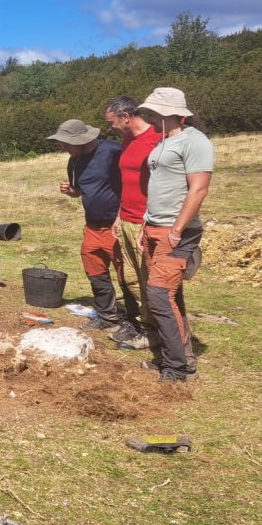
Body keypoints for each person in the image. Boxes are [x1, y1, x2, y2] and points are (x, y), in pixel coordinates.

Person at [137, 87, 213, 383]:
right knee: (168, 295)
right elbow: (159, 186)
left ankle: (177, 369)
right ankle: (181, 359)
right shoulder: (164, 141)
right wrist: (146, 225)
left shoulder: (195, 141)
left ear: (170, 113)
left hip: (177, 231)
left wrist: (177, 230)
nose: (149, 117)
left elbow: (199, 188)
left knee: (158, 295)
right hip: (154, 228)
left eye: (153, 112)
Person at [47, 119, 127, 330]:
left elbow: (135, 179)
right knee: (95, 272)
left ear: (82, 140)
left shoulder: (112, 151)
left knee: (126, 275)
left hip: (117, 225)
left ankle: (134, 320)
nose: (62, 147)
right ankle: (107, 316)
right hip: (92, 226)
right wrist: (69, 191)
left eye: (66, 143)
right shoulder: (74, 161)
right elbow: (79, 191)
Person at [104, 96, 162, 349]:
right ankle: (144, 324)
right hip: (126, 218)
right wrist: (119, 215)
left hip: (145, 222)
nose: (110, 128)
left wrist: (149, 222)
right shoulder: (127, 140)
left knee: (150, 279)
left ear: (126, 117)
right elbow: (127, 182)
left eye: (112, 122)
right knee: (130, 278)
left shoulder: (157, 139)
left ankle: (155, 332)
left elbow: (164, 186)